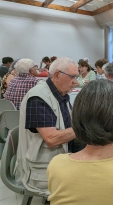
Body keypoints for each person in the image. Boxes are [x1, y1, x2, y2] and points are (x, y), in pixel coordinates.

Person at [16, 57, 79, 196]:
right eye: (73, 77)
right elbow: (51, 139)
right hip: (41, 171)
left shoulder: (60, 93)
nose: (76, 82)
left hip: (57, 160)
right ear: (57, 75)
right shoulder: (39, 97)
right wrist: (85, 127)